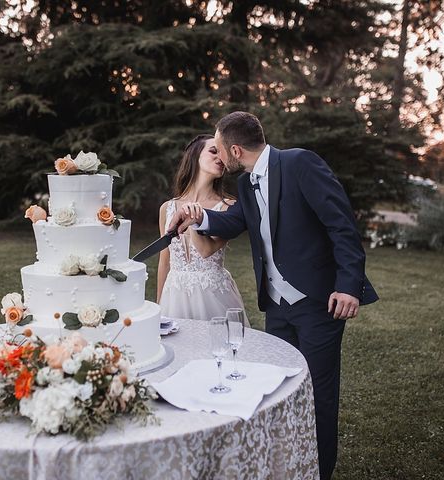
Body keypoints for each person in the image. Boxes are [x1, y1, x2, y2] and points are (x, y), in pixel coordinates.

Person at [168, 112, 378, 480]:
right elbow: (234, 223)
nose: (218, 156)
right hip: (277, 306)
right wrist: (198, 218)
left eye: (219, 149)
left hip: (318, 303)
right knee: (278, 391)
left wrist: (348, 285)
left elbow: (341, 225)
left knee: (317, 395)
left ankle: (318, 471)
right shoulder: (248, 184)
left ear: (235, 150)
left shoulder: (299, 163)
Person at [157, 134, 244, 322]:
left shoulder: (228, 207)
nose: (220, 158)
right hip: (174, 297)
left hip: (213, 297)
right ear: (194, 157)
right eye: (213, 151)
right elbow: (164, 262)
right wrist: (159, 307)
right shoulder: (167, 208)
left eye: (222, 155)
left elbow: (207, 250)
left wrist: (195, 219)